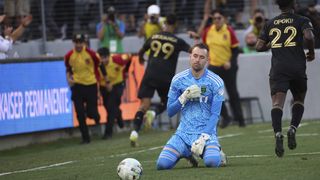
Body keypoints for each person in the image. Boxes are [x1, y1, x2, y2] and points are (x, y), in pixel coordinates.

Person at [256, 0, 315, 157]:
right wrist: (311, 52)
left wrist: (273, 43)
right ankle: (293, 128)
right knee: (298, 100)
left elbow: (258, 47)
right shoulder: (302, 20)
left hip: (278, 69)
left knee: (277, 103)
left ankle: (277, 134)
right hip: (297, 68)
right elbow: (309, 37)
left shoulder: (270, 23)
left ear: (278, 6)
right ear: (293, 4)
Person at [156, 43, 226, 170]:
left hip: (206, 134)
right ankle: (187, 153)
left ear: (207, 60)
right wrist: (183, 98)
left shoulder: (216, 81)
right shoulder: (178, 80)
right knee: (162, 165)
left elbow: (215, 114)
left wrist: (204, 138)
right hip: (182, 134)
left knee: (211, 162)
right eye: (195, 56)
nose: (197, 60)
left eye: (201, 57)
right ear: (190, 57)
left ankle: (217, 152)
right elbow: (170, 112)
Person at [129, 14, 191, 147]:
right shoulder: (177, 41)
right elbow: (192, 51)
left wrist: (140, 58)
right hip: (165, 76)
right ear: (174, 25)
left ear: (164, 24)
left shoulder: (154, 36)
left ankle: (134, 132)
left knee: (143, 105)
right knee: (168, 102)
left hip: (150, 74)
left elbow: (141, 51)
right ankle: (154, 113)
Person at [202, 9, 246, 128]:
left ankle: (240, 119)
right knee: (212, 93)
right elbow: (204, 47)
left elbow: (236, 50)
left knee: (232, 93)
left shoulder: (229, 30)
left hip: (228, 67)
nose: (216, 20)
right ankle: (226, 116)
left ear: (224, 19)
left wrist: (229, 61)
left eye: (219, 18)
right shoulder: (208, 31)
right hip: (214, 66)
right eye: (214, 18)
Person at [64, 34, 108, 144]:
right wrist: (68, 78)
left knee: (91, 113)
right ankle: (85, 138)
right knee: (79, 113)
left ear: (84, 43)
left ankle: (96, 117)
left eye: (80, 42)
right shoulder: (69, 55)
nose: (78, 45)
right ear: (74, 43)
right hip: (77, 86)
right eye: (76, 42)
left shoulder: (91, 54)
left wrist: (106, 81)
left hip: (91, 85)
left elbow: (101, 66)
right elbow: (68, 69)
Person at [97, 47, 131, 139]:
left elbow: (129, 57)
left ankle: (108, 133)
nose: (104, 60)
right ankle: (119, 115)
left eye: (105, 57)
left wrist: (126, 71)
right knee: (107, 106)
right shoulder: (97, 63)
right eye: (102, 58)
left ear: (109, 56)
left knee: (111, 108)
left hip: (117, 85)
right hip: (104, 86)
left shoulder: (117, 59)